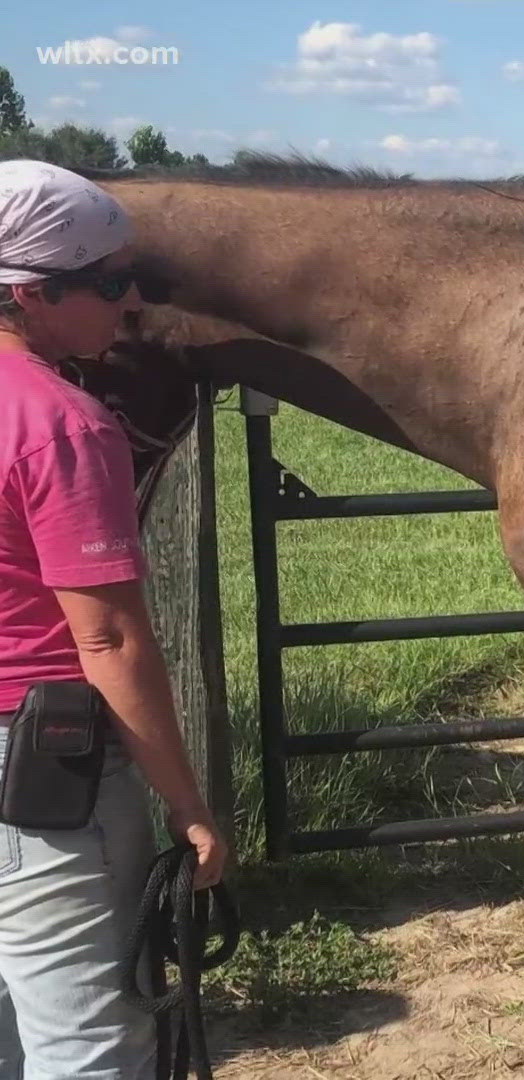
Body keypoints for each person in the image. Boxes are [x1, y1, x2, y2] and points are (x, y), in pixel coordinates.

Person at [0, 158, 228, 1078]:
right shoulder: (62, 425)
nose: (130, 303)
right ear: (32, 293)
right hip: (45, 768)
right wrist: (189, 804)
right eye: (108, 281)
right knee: (91, 1042)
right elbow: (110, 638)